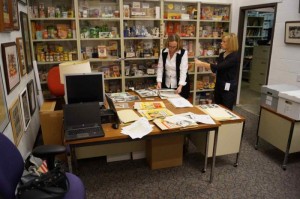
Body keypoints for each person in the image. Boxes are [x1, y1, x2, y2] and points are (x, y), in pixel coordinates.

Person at [195, 33, 239, 110]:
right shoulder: (222, 54)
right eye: (222, 41)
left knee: (226, 108)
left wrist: (202, 64)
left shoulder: (234, 56)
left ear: (231, 43)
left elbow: (219, 67)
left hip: (228, 87)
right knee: (217, 107)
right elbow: (220, 69)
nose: (221, 43)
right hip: (219, 85)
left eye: (224, 41)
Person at [156, 34, 190, 99]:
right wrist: (159, 82)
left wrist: (180, 86)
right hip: (166, 83)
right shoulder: (163, 52)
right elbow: (160, 68)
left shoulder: (183, 53)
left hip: (180, 84)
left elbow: (183, 71)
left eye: (174, 47)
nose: (171, 49)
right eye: (170, 46)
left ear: (178, 45)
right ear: (167, 44)